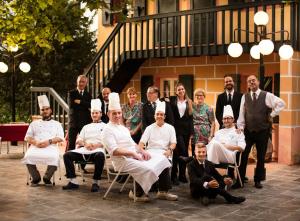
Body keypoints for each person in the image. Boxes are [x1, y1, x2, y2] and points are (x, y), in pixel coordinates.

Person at [102, 93, 178, 202]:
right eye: (114, 113)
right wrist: (133, 154)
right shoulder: (107, 130)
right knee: (146, 167)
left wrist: (142, 151)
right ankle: (136, 193)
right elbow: (114, 151)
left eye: (119, 113)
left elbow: (133, 144)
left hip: (133, 155)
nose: (118, 115)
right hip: (122, 160)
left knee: (162, 159)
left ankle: (162, 191)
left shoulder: (122, 128)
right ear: (108, 113)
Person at [236, 75, 285, 189]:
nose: (251, 82)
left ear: (258, 82)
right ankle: (240, 180)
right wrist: (241, 128)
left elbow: (281, 103)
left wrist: (272, 115)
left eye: (253, 80)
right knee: (243, 155)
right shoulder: (245, 96)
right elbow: (241, 114)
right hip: (248, 131)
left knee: (261, 157)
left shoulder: (266, 95)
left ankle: (258, 180)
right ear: (247, 84)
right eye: (249, 81)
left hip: (262, 131)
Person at [62, 99, 106, 192]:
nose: (94, 115)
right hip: (85, 150)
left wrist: (96, 145)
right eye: (93, 113)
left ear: (101, 114)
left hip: (97, 150)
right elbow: (78, 140)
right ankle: (73, 181)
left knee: (100, 156)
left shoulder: (106, 126)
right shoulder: (86, 127)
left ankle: (95, 182)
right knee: (67, 155)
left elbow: (107, 141)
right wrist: (85, 144)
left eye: (96, 113)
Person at [22, 95, 64, 186]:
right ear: (40, 111)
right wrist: (36, 142)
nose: (45, 111)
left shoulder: (57, 124)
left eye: (47, 109)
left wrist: (48, 141)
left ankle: (47, 177)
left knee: (54, 157)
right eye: (42, 110)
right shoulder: (34, 123)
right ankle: (36, 177)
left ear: (50, 110)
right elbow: (27, 137)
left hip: (50, 146)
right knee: (28, 156)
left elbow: (60, 137)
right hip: (36, 146)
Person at [207, 105, 245, 179]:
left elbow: (242, 148)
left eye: (228, 118)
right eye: (224, 118)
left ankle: (209, 176)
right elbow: (211, 145)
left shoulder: (238, 132)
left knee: (214, 143)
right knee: (203, 146)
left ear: (233, 119)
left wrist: (227, 146)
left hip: (230, 156)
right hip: (217, 155)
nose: (226, 120)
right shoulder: (219, 132)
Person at [169, 83, 193, 185]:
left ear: (185, 90)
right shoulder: (172, 100)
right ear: (176, 91)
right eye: (179, 90)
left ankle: (182, 175)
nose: (181, 91)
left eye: (182, 89)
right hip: (176, 130)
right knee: (179, 152)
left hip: (186, 131)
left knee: (183, 153)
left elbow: (191, 118)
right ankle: (174, 175)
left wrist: (191, 132)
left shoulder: (189, 102)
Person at [67, 75, 92, 151]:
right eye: (79, 82)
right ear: (77, 82)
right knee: (71, 144)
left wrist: (80, 101)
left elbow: (90, 105)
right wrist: (85, 104)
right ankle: (69, 161)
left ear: (86, 83)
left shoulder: (88, 95)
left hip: (84, 122)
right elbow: (71, 105)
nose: (81, 84)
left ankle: (82, 162)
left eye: (83, 82)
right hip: (73, 122)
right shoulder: (71, 93)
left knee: (83, 144)